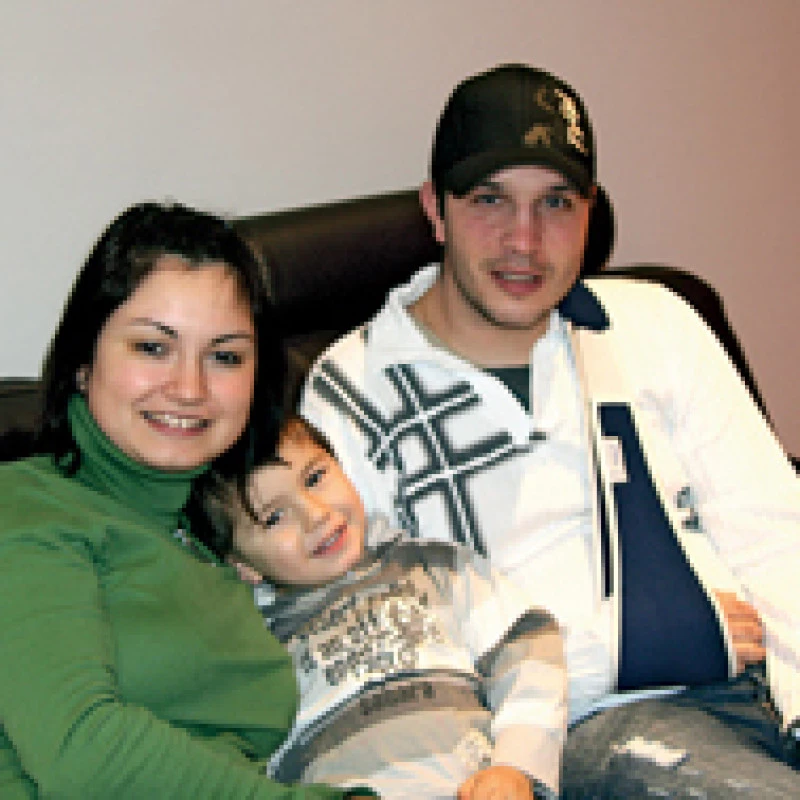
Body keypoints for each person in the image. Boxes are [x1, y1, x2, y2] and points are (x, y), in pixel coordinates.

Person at [300, 64, 800, 794]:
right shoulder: (353, 394)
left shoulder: (654, 321)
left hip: (765, 681)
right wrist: (621, 649)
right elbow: (392, 658)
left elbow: (773, 534)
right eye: (489, 200)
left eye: (556, 203)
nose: (524, 241)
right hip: (599, 724)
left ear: (590, 213)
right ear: (434, 210)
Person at [0, 202, 376, 798]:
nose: (189, 389)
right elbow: (79, 748)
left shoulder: (226, 537)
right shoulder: (25, 507)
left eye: (224, 356)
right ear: (82, 360)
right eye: (153, 348)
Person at [229, 414, 566, 799]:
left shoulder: (436, 567)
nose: (316, 513)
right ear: (242, 565)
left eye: (315, 478)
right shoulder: (253, 644)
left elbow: (528, 648)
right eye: (275, 517)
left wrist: (516, 764)